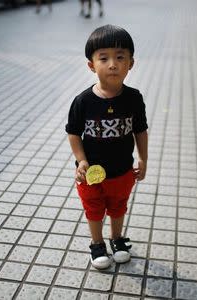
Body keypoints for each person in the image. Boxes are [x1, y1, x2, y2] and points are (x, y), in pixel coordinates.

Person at [65, 24, 148, 269]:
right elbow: (73, 133)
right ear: (91, 65)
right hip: (91, 173)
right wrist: (81, 160)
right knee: (93, 208)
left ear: (131, 63)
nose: (112, 64)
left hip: (123, 170)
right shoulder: (83, 101)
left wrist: (143, 158)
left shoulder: (134, 98)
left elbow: (140, 130)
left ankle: (117, 239)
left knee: (118, 206)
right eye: (104, 58)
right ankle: (97, 243)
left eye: (120, 57)